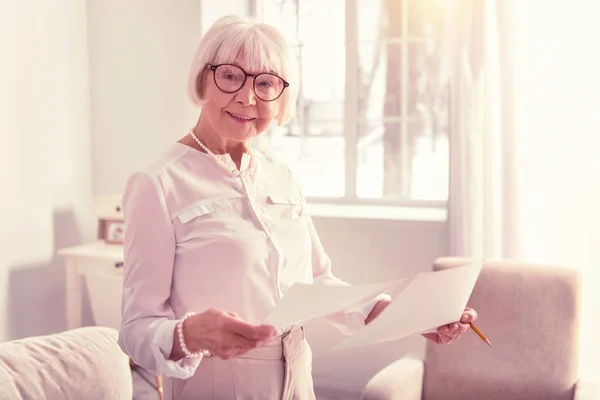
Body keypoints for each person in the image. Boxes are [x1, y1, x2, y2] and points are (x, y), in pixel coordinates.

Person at [118, 15, 478, 400]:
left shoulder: (281, 175)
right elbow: (136, 330)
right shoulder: (157, 183)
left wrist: (413, 317)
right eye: (230, 76)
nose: (247, 97)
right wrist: (191, 334)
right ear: (203, 79)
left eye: (266, 83)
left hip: (297, 372)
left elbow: (318, 283)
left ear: (281, 97)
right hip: (215, 382)